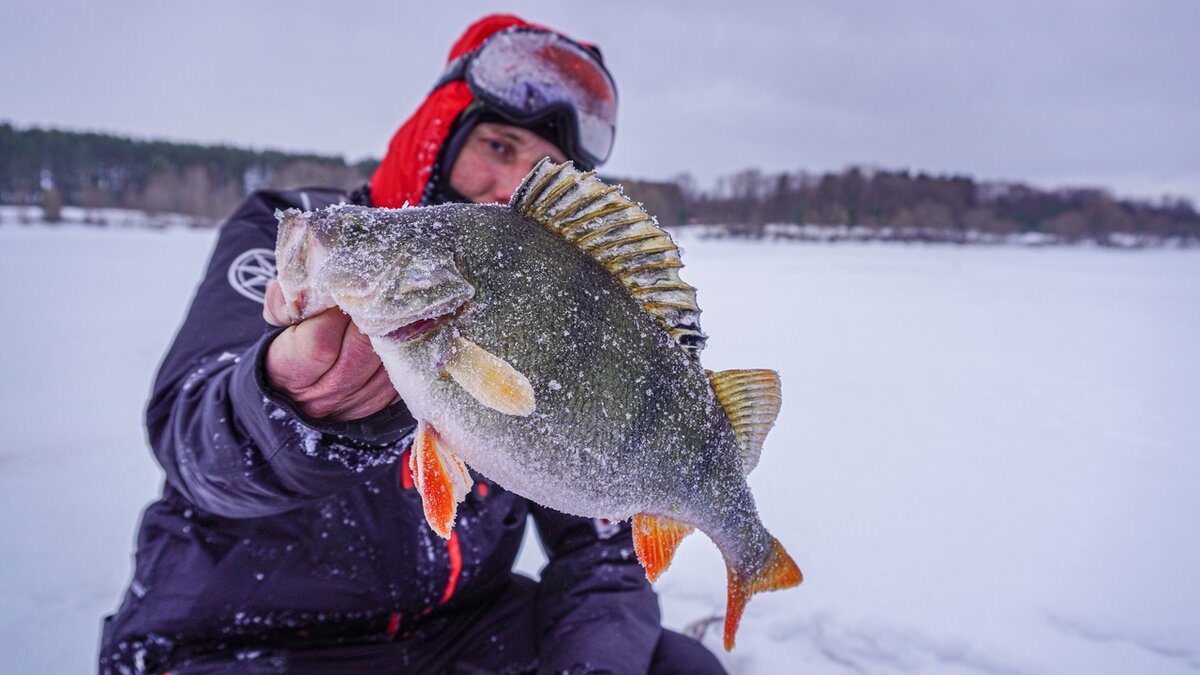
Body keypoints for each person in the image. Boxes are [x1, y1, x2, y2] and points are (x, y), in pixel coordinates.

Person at [99, 14, 726, 674]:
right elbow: (193, 441)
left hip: (454, 630)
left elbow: (600, 544)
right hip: (235, 635)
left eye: (544, 170)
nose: (509, 186)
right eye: (498, 145)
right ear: (441, 129)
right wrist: (290, 407)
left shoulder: (551, 296)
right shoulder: (311, 238)